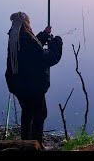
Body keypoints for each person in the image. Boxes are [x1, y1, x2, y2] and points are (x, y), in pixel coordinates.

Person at [5, 12, 63, 149]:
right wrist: (56, 44)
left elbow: (32, 50)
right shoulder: (27, 40)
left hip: (19, 86)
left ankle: (26, 143)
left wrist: (43, 35)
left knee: (27, 113)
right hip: (33, 87)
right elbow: (47, 58)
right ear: (27, 23)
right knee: (39, 115)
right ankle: (37, 145)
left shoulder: (15, 38)